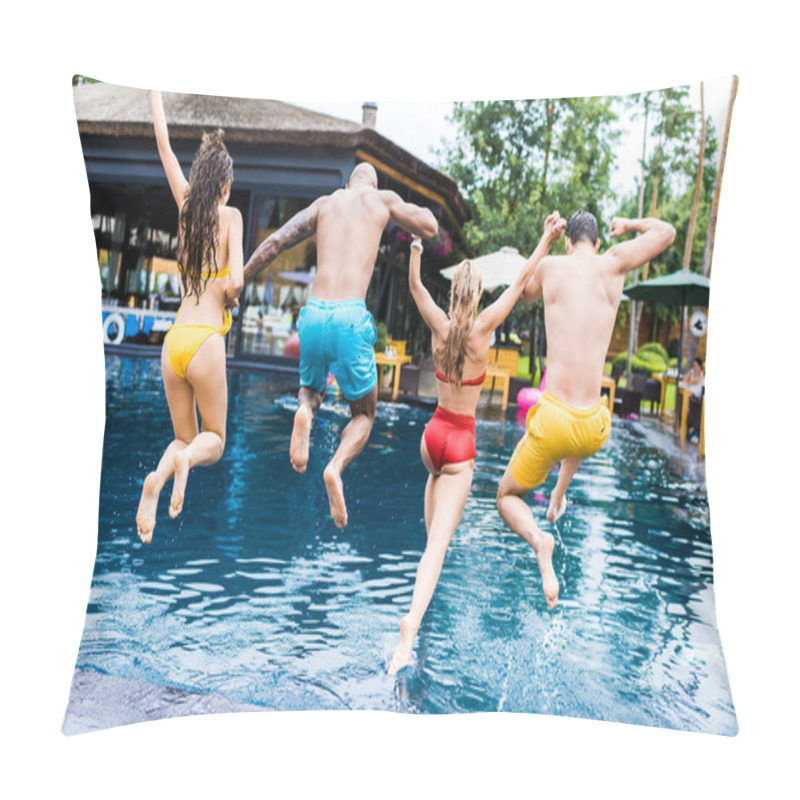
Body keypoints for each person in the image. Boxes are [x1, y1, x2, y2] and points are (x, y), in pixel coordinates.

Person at [387, 212, 567, 674]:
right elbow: (525, 276)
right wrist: (545, 236)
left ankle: (420, 622)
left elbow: (415, 287)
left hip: (432, 439)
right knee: (437, 550)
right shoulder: (485, 326)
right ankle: (411, 626)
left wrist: (415, 249)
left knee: (433, 540)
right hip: (460, 448)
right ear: (478, 293)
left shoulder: (440, 325)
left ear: (453, 294)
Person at [242, 163, 438, 528]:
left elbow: (276, 242)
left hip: (313, 316)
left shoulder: (325, 204)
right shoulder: (382, 200)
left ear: (347, 183)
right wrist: (410, 220)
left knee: (311, 391)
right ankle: (335, 467)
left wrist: (240, 280)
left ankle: (305, 411)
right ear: (372, 185)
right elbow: (429, 225)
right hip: (350, 317)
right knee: (363, 414)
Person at [496, 211, 676, 609]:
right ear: (597, 241)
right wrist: (630, 224)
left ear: (567, 241)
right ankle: (560, 494)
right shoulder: (614, 263)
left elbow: (520, 291)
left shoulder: (551, 266)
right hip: (595, 425)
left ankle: (540, 542)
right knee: (580, 427)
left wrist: (544, 240)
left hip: (554, 419)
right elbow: (667, 233)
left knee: (507, 495)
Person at [135, 90, 244, 543]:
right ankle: (180, 465)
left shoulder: (184, 206)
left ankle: (156, 483)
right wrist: (228, 292)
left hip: (174, 341)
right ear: (224, 184)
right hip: (205, 343)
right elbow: (236, 282)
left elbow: (163, 143)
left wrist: (153, 89)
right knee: (213, 442)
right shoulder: (231, 216)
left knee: (184, 438)